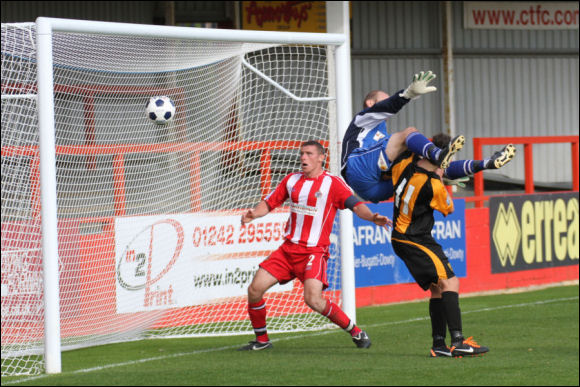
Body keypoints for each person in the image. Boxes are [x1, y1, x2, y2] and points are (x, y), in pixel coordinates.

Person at [238, 140, 391, 351]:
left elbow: (355, 205)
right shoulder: (291, 180)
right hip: (288, 250)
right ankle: (262, 341)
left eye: (309, 153)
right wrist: (254, 214)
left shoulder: (332, 183)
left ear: (321, 157)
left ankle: (356, 332)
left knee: (313, 300)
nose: (303, 157)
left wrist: (372, 218)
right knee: (254, 290)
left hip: (314, 252)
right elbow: (270, 202)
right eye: (301, 154)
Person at [389, 150, 489, 358]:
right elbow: (449, 208)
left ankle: (439, 345)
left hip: (405, 237)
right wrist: (441, 178)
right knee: (450, 282)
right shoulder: (433, 183)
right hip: (414, 238)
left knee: (437, 288)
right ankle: (459, 342)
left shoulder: (404, 164)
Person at [341, 70, 466, 204]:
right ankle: (438, 156)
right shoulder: (362, 119)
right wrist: (407, 94)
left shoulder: (381, 129)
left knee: (417, 164)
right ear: (371, 103)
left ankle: (437, 172)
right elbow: (388, 106)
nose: (388, 102)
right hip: (357, 169)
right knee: (409, 133)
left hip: (375, 190)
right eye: (385, 100)